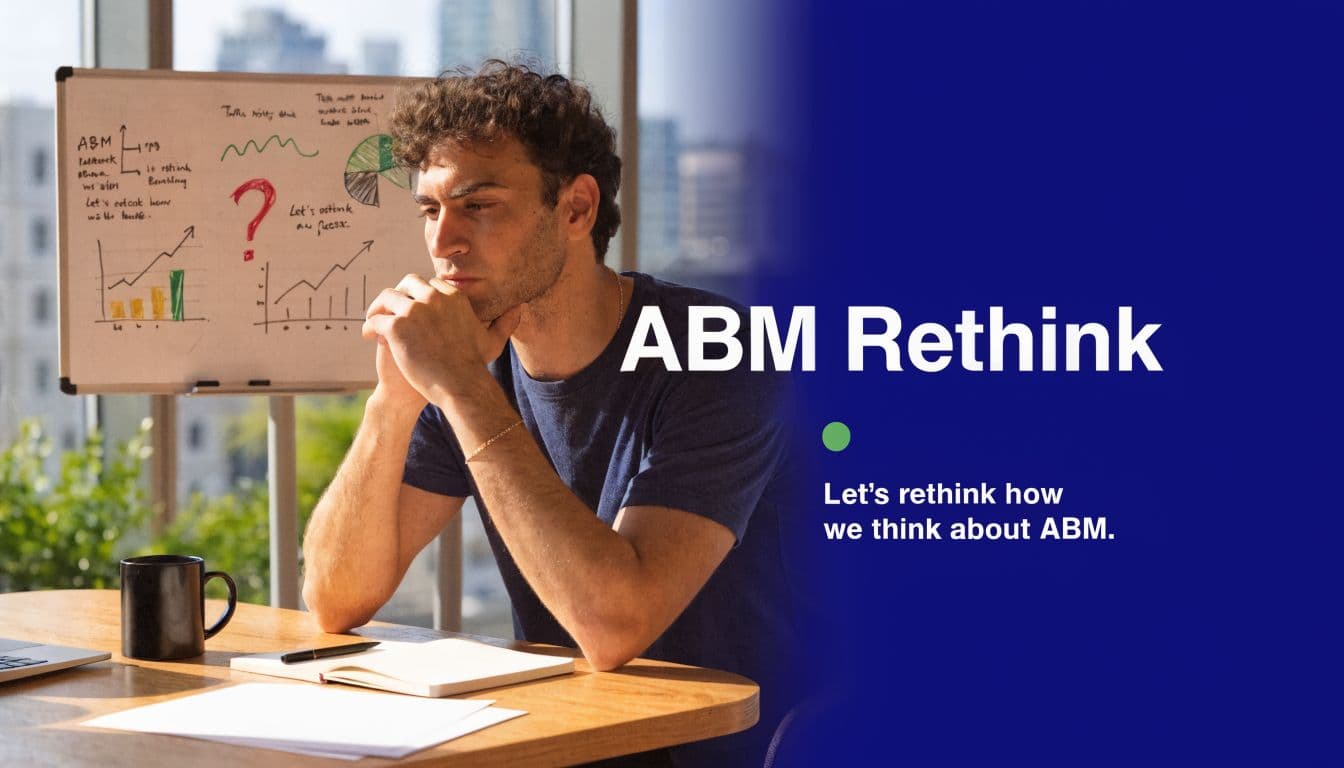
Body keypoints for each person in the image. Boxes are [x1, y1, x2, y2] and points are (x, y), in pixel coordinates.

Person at [302, 61, 799, 767]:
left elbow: (615, 622)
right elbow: (335, 599)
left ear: (576, 209)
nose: (443, 243)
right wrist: (396, 395)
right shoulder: (469, 363)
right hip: (571, 739)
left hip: (737, 746)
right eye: (429, 210)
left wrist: (461, 389)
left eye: (479, 206)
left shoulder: (723, 353)